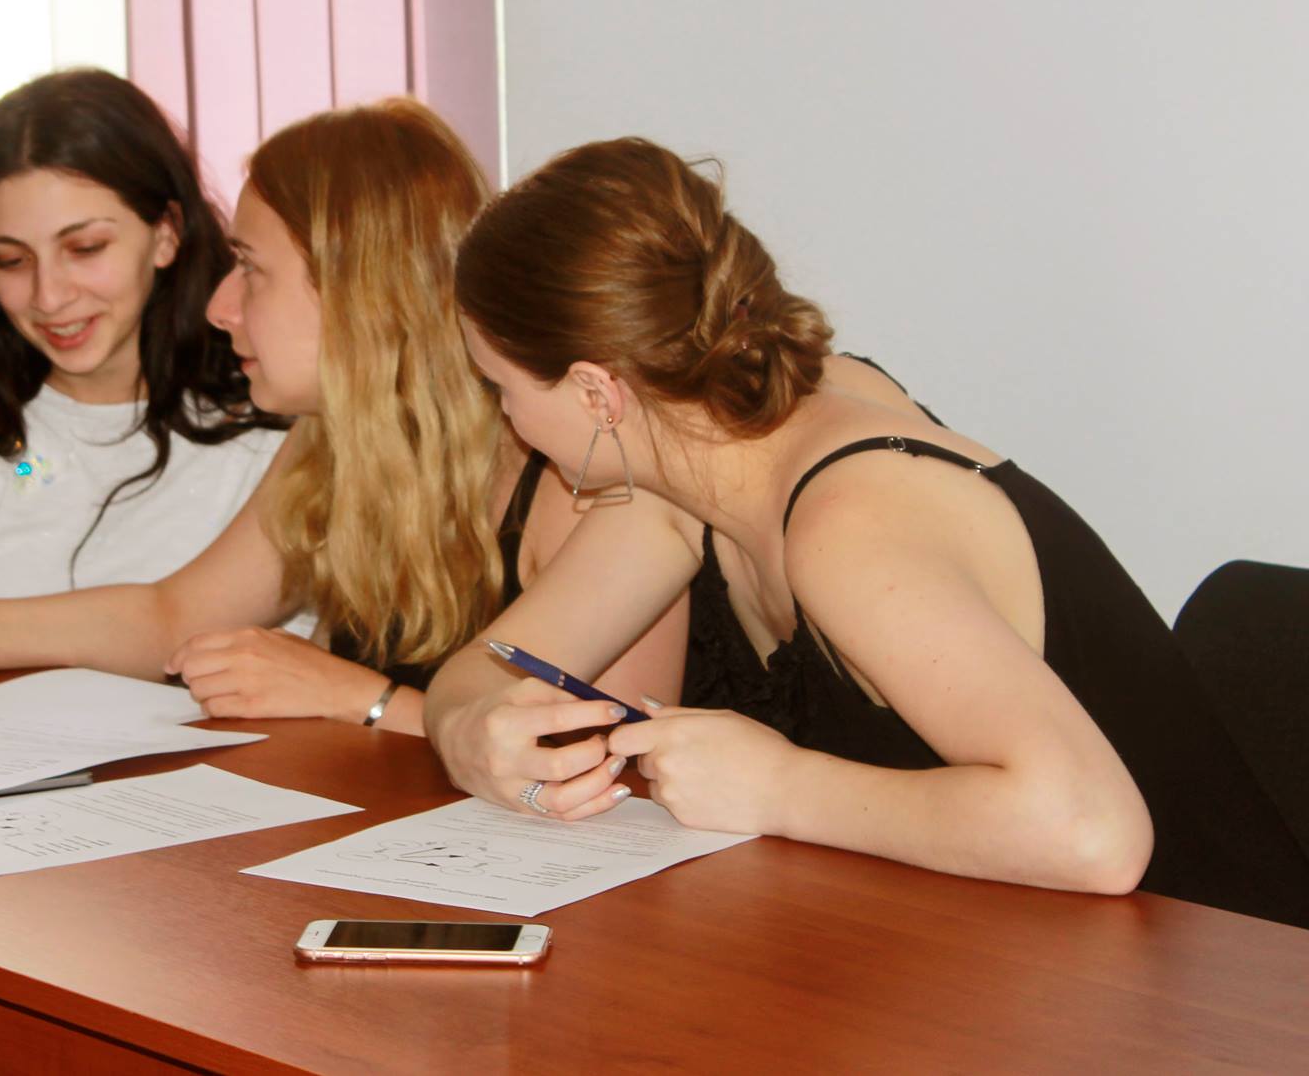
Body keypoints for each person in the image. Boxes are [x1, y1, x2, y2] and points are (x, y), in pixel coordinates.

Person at [427, 136, 1309, 926]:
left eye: (502, 386)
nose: (507, 418)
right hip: (1018, 956)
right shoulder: (694, 461)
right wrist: (474, 737)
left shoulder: (848, 520)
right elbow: (486, 670)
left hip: (1223, 988)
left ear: (596, 392)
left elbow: (1092, 833)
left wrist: (777, 785)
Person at [0, 101, 687, 734]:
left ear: (362, 292)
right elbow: (174, 615)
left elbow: (608, 756)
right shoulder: (337, 442)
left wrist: (359, 697)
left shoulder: (572, 476)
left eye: (252, 270)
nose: (220, 306)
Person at [0, 69, 290, 597]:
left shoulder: (273, 402)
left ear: (166, 233)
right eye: (12, 260)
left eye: (85, 249)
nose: (49, 297)